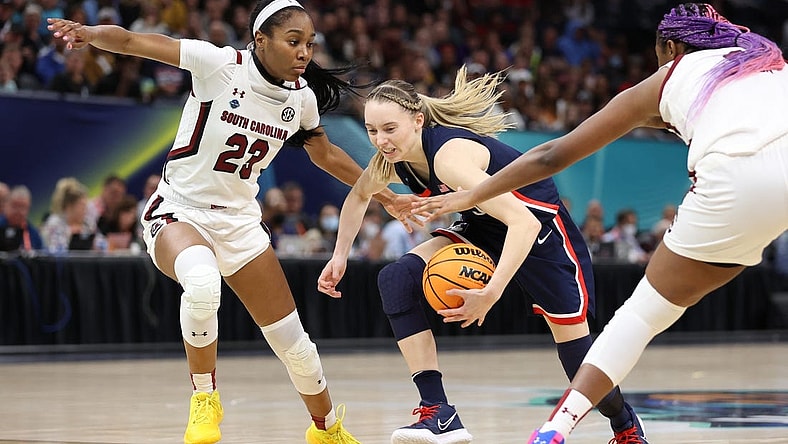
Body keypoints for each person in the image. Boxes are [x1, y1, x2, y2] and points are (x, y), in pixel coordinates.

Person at [414, 4, 788, 443]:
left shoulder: (672, 74)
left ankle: (555, 428)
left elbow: (550, 155)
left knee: (640, 317)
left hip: (733, 179)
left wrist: (475, 193)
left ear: (671, 47)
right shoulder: (771, 63)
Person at [48, 2, 418, 443]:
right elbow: (132, 42)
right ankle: (205, 399)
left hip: (240, 224)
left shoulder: (300, 100)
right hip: (179, 210)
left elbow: (327, 155)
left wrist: (388, 197)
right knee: (203, 284)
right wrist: (90, 35)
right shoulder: (221, 65)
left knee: (294, 343)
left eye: (310, 45)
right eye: (294, 41)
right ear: (261, 40)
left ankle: (327, 430)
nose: (304, 53)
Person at [317, 67, 646, 444]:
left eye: (389, 129)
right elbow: (359, 195)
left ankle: (625, 426)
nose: (380, 140)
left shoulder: (448, 158)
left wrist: (491, 293)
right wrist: (340, 255)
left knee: (578, 364)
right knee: (395, 278)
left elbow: (523, 223)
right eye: (372, 130)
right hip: (485, 229)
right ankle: (439, 412)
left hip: (541, 234)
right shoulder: (391, 159)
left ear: (418, 120)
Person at [41, 177, 102, 252]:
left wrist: (95, 246)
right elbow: (54, 251)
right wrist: (70, 234)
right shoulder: (54, 224)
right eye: (82, 206)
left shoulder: (88, 224)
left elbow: (103, 245)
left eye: (85, 206)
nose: (85, 210)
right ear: (69, 206)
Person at [0, 185, 44, 252]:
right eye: (15, 205)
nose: (18, 211)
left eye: (22, 207)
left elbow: (41, 258)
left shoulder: (33, 233)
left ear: (28, 209)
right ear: (6, 205)